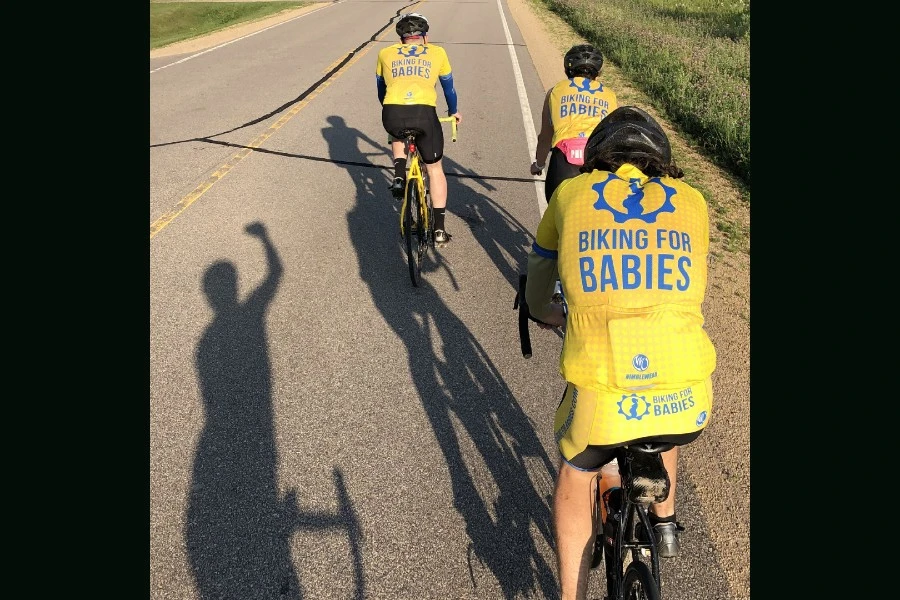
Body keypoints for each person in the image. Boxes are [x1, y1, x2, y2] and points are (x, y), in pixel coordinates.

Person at [524, 106, 716, 600]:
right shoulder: (694, 201)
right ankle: (665, 523)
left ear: (597, 159)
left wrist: (547, 313)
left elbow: (539, 284)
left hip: (604, 398)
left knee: (577, 471)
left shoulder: (571, 194)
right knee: (662, 407)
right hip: (690, 400)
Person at [375, 12, 462, 247]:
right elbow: (449, 88)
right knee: (435, 170)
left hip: (393, 111)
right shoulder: (437, 52)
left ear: (401, 39)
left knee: (397, 133)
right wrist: (453, 112)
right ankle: (439, 230)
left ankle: (399, 174)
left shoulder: (385, 53)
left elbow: (381, 89)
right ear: (425, 37)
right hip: (424, 113)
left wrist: (390, 108)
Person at [530, 44, 619, 204]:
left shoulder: (555, 91)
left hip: (564, 161)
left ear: (567, 69)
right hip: (598, 161)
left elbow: (545, 137)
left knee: (554, 213)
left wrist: (539, 164)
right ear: (598, 72)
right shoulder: (610, 95)